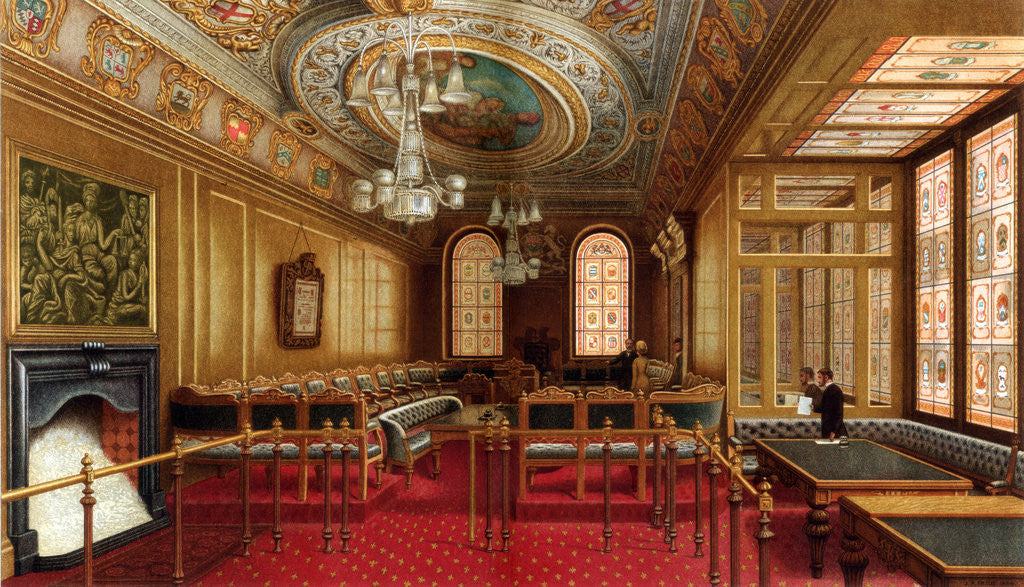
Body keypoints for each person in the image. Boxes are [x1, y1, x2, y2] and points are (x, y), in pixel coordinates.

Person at [816, 368, 847, 440]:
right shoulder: (828, 389)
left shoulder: (835, 390)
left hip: (836, 434)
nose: (818, 381)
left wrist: (833, 432)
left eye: (819, 377)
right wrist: (811, 407)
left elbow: (839, 414)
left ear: (826, 377)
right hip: (828, 432)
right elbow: (825, 409)